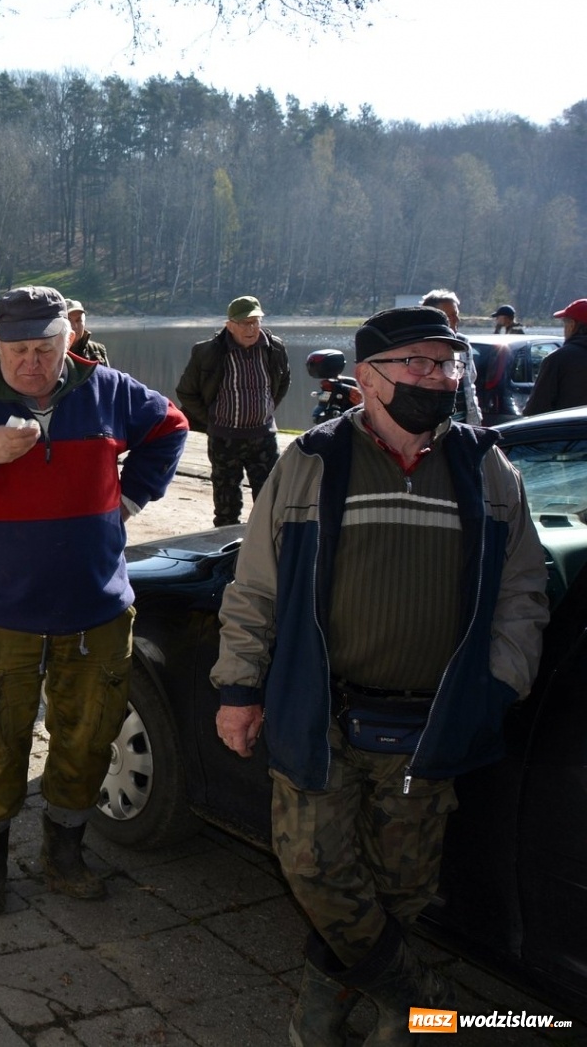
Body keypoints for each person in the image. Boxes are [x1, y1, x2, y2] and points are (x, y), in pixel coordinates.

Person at [212, 305, 549, 1046]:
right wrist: (239, 689)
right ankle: (423, 997)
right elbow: (256, 587)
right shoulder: (312, 462)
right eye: (421, 365)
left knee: (398, 889)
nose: (441, 378)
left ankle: (327, 1013)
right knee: (314, 870)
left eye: (449, 364)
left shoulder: (485, 465)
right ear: (366, 378)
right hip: (320, 715)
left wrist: (502, 681)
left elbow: (525, 590)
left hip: (430, 725)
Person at [0, 286, 186, 913]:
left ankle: (64, 854)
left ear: (68, 339)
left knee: (88, 740)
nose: (33, 361)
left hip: (96, 611)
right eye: (19, 348)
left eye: (46, 347)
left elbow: (170, 426)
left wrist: (128, 499)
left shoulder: (106, 389)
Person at [175, 295, 291, 527]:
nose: (251, 328)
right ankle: (227, 557)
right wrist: (213, 421)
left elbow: (283, 381)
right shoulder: (208, 352)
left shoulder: (274, 348)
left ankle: (266, 554)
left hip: (263, 439)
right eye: (245, 323)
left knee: (270, 504)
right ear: (229, 325)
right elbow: (186, 392)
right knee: (227, 508)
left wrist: (265, 410)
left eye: (255, 321)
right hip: (224, 441)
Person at [419, 289, 484, 425]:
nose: (457, 320)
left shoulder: (463, 344)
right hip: (433, 424)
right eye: (451, 316)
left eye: (457, 315)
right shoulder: (418, 347)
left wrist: (475, 418)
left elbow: (470, 384)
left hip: (463, 422)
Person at [523, 298, 587, 415]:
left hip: (566, 430)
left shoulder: (558, 359)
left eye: (565, 323)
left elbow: (536, 409)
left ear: (572, 325)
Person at [65, 299, 109, 365]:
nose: (74, 326)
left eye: (78, 320)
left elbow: (109, 374)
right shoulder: (51, 351)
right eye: (69, 321)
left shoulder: (96, 350)